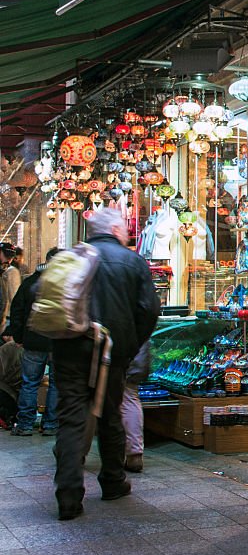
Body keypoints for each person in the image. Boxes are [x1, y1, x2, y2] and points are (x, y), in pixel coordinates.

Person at [47, 208, 159, 520]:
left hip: (70, 349)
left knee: (71, 420)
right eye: (124, 227)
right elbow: (148, 311)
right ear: (113, 229)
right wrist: (129, 345)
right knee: (111, 414)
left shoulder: (71, 256)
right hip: (111, 351)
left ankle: (68, 496)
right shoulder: (130, 260)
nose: (127, 232)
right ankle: (112, 480)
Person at [5, 247, 60, 436]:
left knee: (29, 383)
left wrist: (19, 337)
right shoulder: (65, 285)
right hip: (58, 343)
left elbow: (17, 311)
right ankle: (51, 424)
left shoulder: (30, 283)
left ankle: (25, 424)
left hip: (34, 341)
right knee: (56, 384)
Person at [122, 341, 150, 473]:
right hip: (134, 350)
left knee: (89, 400)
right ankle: (134, 455)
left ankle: (76, 451)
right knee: (129, 398)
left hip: (105, 348)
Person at [0, 242, 20, 331]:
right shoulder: (10, 271)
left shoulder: (11, 272)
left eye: (10, 257)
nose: (8, 260)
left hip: (5, 318)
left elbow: (13, 297)